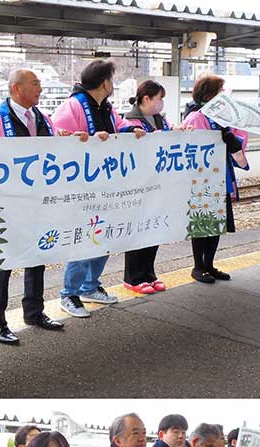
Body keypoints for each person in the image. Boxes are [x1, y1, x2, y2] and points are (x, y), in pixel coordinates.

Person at [0, 68, 66, 344]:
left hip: (37, 203)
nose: (40, 89)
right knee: (2, 262)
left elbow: (59, 149)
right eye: (35, 84)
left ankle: (34, 311)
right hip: (5, 205)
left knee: (37, 256)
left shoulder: (43, 118)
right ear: (16, 88)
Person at [53, 60, 139, 316]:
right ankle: (69, 293)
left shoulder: (106, 107)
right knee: (83, 237)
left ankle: (90, 286)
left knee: (104, 236)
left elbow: (118, 126)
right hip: (82, 187)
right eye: (111, 80)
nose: (112, 85)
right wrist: (84, 139)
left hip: (106, 185)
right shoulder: (73, 106)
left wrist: (132, 128)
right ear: (105, 83)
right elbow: (56, 137)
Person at [181, 74, 250, 284]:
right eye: (221, 91)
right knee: (202, 223)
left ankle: (209, 264)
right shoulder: (196, 117)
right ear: (210, 94)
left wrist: (231, 139)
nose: (224, 95)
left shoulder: (221, 118)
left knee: (217, 223)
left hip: (220, 176)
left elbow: (236, 143)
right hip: (201, 180)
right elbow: (191, 148)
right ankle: (198, 266)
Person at [118, 81, 173, 295]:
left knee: (155, 227)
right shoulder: (129, 121)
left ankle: (149, 272)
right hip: (138, 185)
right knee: (138, 229)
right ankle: (133, 277)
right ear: (147, 98)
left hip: (158, 183)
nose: (161, 103)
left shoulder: (161, 119)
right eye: (159, 98)